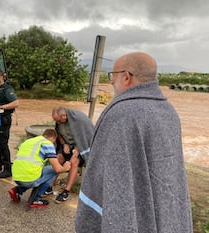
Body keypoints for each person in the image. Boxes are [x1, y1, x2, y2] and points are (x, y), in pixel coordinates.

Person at [75, 52, 193, 232]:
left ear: (127, 77)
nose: (112, 82)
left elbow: (101, 173)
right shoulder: (170, 112)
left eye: (112, 76)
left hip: (128, 215)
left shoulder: (120, 114)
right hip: (164, 211)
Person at [9, 129, 71, 208]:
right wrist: (66, 168)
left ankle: (17, 190)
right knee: (52, 170)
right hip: (28, 180)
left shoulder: (29, 141)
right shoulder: (47, 144)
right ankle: (35, 199)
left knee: (37, 171)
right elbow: (57, 169)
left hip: (16, 176)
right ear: (53, 138)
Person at [50, 107, 94, 204]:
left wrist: (77, 151)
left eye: (58, 120)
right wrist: (63, 144)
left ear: (64, 116)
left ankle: (66, 191)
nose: (57, 122)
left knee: (74, 161)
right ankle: (49, 186)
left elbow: (86, 137)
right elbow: (59, 134)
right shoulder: (59, 121)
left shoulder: (80, 120)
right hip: (67, 145)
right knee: (58, 158)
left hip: (81, 146)